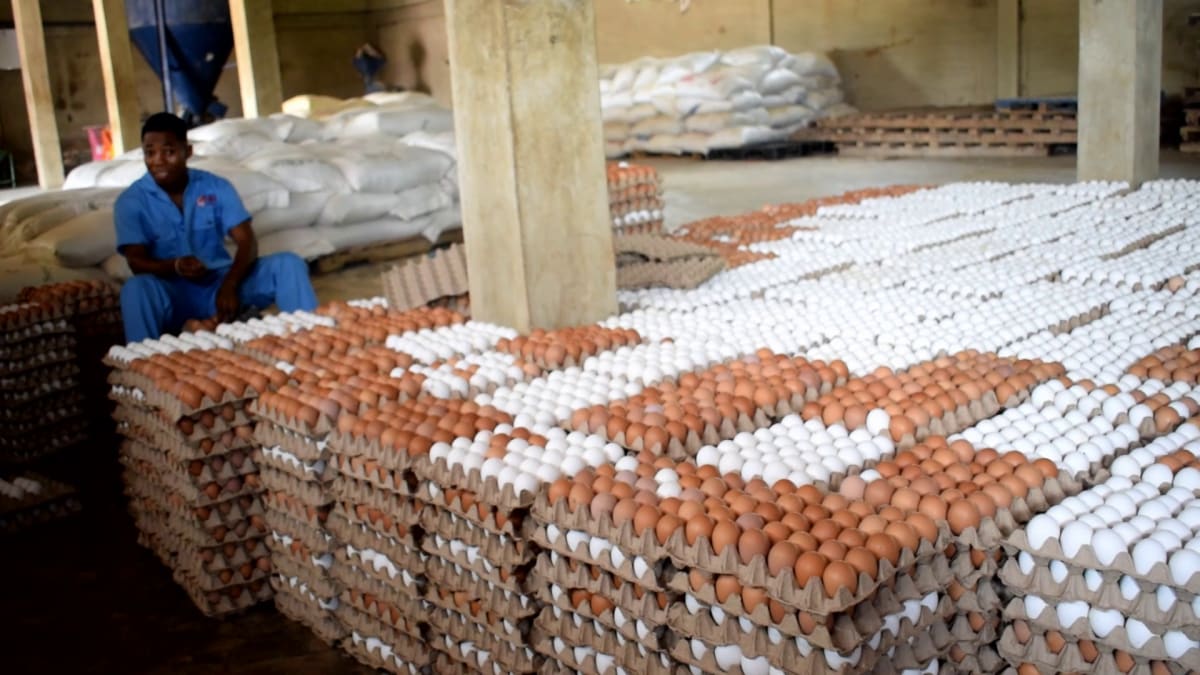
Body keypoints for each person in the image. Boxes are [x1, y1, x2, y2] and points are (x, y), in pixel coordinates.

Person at [115, 112, 317, 343]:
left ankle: (312, 340)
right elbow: (136, 262)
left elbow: (247, 242)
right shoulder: (132, 201)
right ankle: (144, 364)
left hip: (222, 284)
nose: (158, 160)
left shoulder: (214, 186)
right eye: (150, 153)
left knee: (288, 264)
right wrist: (176, 265)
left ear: (187, 152)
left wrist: (230, 284)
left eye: (169, 152)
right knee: (135, 289)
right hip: (173, 293)